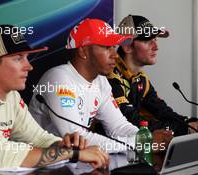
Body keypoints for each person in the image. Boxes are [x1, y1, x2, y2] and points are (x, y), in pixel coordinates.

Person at [0, 25, 110, 175]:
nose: (29, 66)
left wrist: (68, 145)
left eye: (27, 57)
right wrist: (73, 154)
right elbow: (2, 156)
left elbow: (38, 138)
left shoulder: (11, 96)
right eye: (18, 58)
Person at [29, 18, 172, 154]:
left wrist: (146, 138)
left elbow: (118, 127)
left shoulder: (101, 81)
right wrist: (142, 144)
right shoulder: (58, 79)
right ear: (83, 51)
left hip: (67, 161)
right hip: (35, 165)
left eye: (114, 47)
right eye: (107, 47)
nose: (115, 55)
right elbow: (78, 140)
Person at [108, 15, 198, 136]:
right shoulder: (110, 77)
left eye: (155, 39)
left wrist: (189, 122)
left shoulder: (141, 79)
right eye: (147, 40)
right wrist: (184, 129)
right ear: (127, 46)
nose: (156, 47)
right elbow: (132, 121)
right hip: (105, 150)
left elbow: (162, 111)